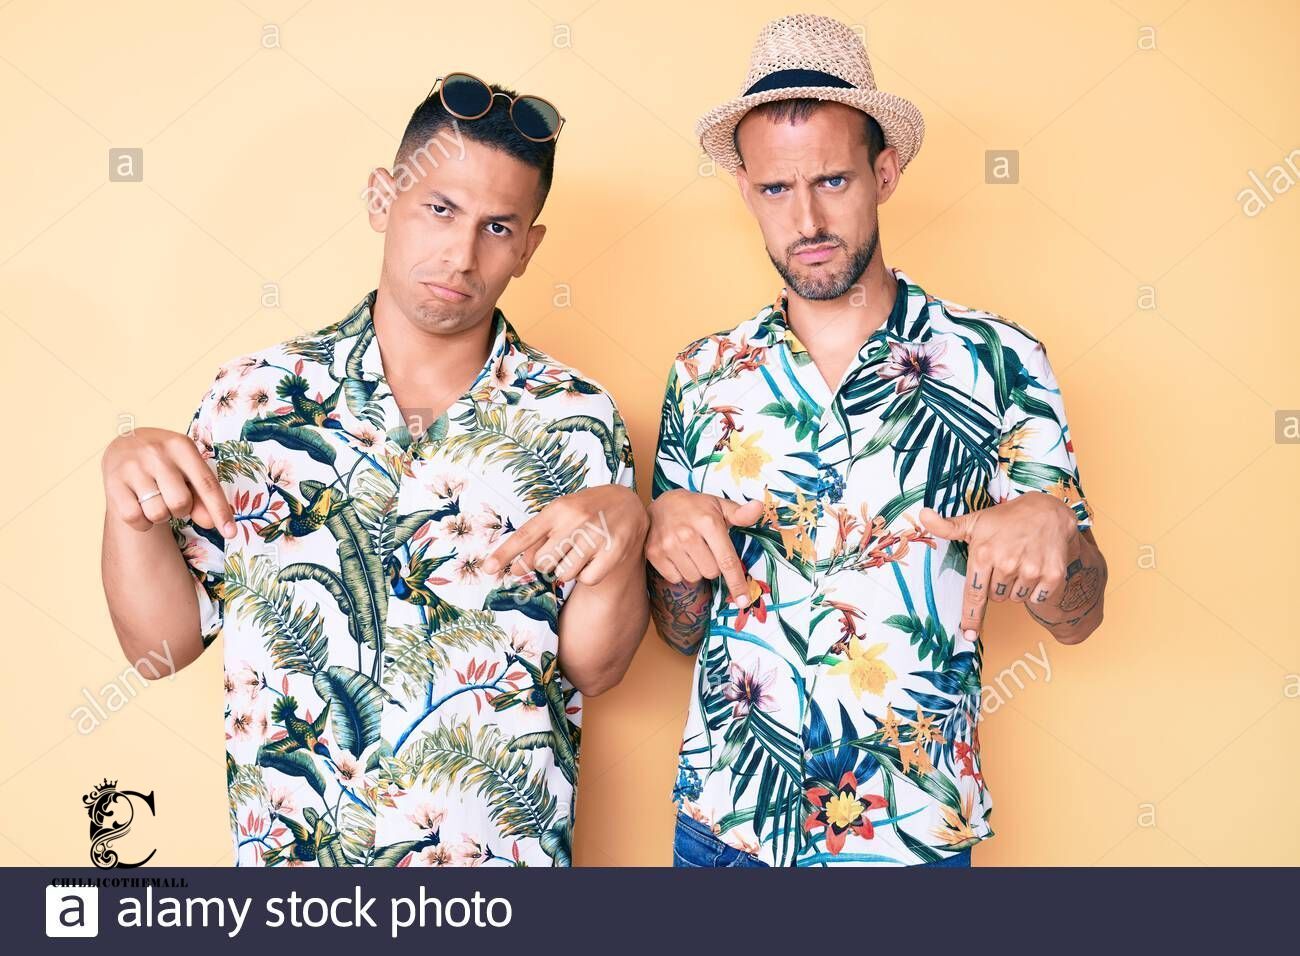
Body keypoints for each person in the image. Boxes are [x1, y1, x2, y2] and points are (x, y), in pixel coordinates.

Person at [100, 73, 648, 867]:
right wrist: (126, 504)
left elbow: (595, 669)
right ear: (381, 199)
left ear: (529, 248)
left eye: (498, 227)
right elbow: (162, 646)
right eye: (439, 209)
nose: (461, 254)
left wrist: (623, 536)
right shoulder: (249, 398)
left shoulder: (579, 420)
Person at [647, 15, 1108, 868]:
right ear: (747, 190)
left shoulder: (1002, 361)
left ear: (885, 172)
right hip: (722, 835)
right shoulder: (702, 374)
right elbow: (680, 636)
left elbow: (1079, 617)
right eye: (778, 189)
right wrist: (670, 549)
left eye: (833, 179)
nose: (809, 217)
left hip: (908, 845)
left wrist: (1057, 536)